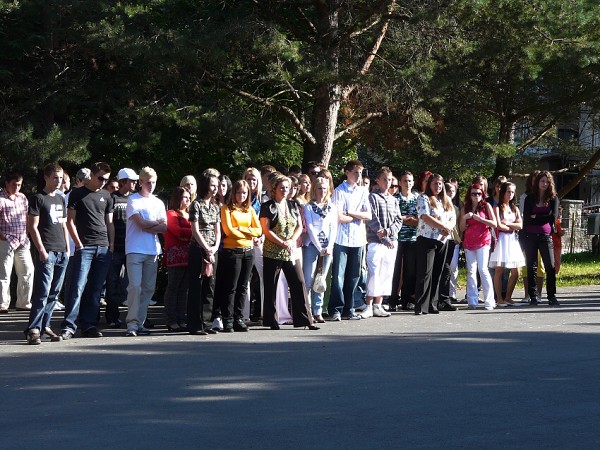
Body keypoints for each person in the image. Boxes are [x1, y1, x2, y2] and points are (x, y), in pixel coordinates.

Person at [61, 162, 114, 339]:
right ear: (91, 175)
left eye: (105, 180)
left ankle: (89, 324)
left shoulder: (107, 196)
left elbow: (110, 223)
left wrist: (111, 244)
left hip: (103, 247)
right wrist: (78, 244)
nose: (102, 182)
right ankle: (69, 326)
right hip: (85, 247)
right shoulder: (77, 193)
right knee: (77, 287)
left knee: (96, 289)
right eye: (100, 178)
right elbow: (69, 221)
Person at [260, 174, 318, 330]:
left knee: (298, 283)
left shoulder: (293, 205)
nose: (285, 190)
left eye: (287, 187)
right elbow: (266, 229)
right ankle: (272, 320)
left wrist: (291, 241)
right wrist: (281, 242)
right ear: (274, 189)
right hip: (272, 251)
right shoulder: (268, 206)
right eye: (282, 188)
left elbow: (299, 226)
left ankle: (305, 319)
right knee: (271, 285)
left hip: (290, 251)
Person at [24, 163, 69, 344]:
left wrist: (67, 248)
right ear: (46, 178)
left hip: (61, 252)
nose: (58, 182)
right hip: (47, 250)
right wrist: (41, 250)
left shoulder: (60, 199)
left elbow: (64, 225)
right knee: (42, 291)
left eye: (60, 178)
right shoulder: (38, 198)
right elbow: (32, 227)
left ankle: (45, 325)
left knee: (54, 293)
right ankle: (33, 329)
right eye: (55, 178)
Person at [123, 167, 167, 336]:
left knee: (148, 288)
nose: (151, 185)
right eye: (148, 182)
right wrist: (154, 223)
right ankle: (132, 324)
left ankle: (140, 321)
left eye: (154, 182)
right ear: (140, 182)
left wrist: (150, 224)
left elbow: (164, 227)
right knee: (135, 286)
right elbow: (139, 223)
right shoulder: (133, 200)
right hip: (134, 249)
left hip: (152, 250)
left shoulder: (158, 202)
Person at [214, 180, 262, 332]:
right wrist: (247, 232)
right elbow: (228, 231)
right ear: (233, 193)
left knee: (243, 286)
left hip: (248, 251)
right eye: (239, 192)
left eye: (244, 193)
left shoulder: (250, 210)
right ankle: (227, 318)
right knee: (231, 287)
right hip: (232, 252)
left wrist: (242, 229)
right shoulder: (226, 209)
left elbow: (258, 230)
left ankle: (238, 318)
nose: (241, 195)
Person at [328, 160, 371, 321]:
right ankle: (336, 309)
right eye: (355, 172)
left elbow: (368, 215)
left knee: (354, 276)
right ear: (347, 172)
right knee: (339, 276)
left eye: (360, 172)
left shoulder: (363, 191)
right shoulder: (339, 191)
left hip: (358, 238)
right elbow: (338, 216)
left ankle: (349, 308)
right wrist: (356, 216)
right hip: (342, 239)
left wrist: (351, 213)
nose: (358, 175)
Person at [360, 167, 402, 318]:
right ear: (377, 180)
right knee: (374, 273)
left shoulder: (393, 200)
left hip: (391, 242)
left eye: (390, 179)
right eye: (384, 179)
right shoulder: (372, 197)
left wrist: (389, 234)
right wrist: (384, 237)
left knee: (386, 273)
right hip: (376, 242)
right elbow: (372, 219)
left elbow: (398, 221)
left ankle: (378, 304)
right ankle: (368, 305)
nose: (387, 182)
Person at [413, 174, 455, 315]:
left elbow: (453, 217)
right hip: (426, 239)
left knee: (438, 272)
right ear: (429, 185)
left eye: (440, 184)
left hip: (442, 239)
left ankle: (432, 304)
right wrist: (443, 226)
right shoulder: (423, 198)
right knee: (425, 272)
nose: (438, 186)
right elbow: (425, 217)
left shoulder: (446, 200)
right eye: (435, 183)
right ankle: (421, 306)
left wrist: (448, 228)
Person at [187, 173, 221, 335]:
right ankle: (195, 324)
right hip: (198, 249)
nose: (215, 189)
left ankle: (206, 322)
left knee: (210, 286)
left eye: (216, 185)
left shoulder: (215, 207)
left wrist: (214, 247)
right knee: (197, 286)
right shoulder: (196, 205)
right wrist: (206, 248)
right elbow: (195, 229)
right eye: (212, 185)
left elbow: (217, 230)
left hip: (212, 250)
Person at [105, 168, 138, 328]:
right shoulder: (112, 198)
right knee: (113, 282)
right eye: (132, 181)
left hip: (132, 247)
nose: (135, 183)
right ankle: (112, 316)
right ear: (123, 182)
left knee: (134, 284)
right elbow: (108, 223)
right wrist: (110, 244)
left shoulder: (135, 199)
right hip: (116, 248)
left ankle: (136, 316)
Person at [302, 177, 337, 323]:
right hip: (312, 245)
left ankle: (318, 310)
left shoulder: (331, 207)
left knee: (321, 279)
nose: (322, 191)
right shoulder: (309, 207)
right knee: (309, 279)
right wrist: (319, 246)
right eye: (319, 188)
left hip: (327, 247)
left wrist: (329, 246)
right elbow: (310, 227)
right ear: (314, 190)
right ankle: (308, 310)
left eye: (324, 188)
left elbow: (333, 227)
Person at [522, 171, 560, 306]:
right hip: (530, 236)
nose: (545, 184)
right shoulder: (530, 198)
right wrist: (542, 217)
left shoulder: (553, 198)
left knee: (550, 266)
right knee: (531, 266)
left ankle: (551, 295)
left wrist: (536, 217)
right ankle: (533, 296)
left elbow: (552, 217)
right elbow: (527, 218)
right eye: (542, 181)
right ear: (537, 182)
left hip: (546, 236)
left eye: (547, 182)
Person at [0, 172, 33, 313]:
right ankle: (2, 304)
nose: (17, 187)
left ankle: (23, 303)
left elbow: (27, 216)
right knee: (4, 274)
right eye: (14, 184)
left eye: (19, 184)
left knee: (27, 271)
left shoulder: (22, 197)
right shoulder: (0, 198)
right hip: (5, 239)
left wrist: (27, 234)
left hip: (22, 241)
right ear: (6, 183)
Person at [461, 183, 497, 310]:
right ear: (469, 195)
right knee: (471, 270)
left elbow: (494, 223)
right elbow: (461, 228)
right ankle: (472, 300)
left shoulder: (486, 206)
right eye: (473, 194)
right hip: (469, 241)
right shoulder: (466, 207)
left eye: (478, 193)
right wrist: (464, 218)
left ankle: (489, 300)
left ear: (483, 195)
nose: (476, 196)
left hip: (483, 240)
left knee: (482, 269)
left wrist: (479, 219)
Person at [488, 182, 525, 306]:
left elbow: (520, 225)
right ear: (503, 192)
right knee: (499, 269)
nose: (510, 194)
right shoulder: (497, 208)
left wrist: (508, 225)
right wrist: (509, 227)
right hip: (502, 240)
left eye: (513, 192)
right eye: (508, 191)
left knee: (516, 271)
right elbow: (499, 225)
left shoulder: (515, 208)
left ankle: (508, 297)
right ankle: (499, 298)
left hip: (513, 240)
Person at [163, 187, 192, 331]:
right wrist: (191, 232)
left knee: (183, 289)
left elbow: (185, 233)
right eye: (185, 197)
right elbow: (177, 231)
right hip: (175, 255)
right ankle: (171, 319)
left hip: (188, 255)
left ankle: (181, 318)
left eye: (189, 197)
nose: (188, 200)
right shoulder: (171, 213)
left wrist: (186, 234)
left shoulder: (189, 214)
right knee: (173, 287)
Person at [389, 170, 418, 311]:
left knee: (410, 271)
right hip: (397, 238)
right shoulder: (395, 199)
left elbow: (420, 219)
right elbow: (396, 218)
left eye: (410, 181)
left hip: (413, 239)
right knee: (395, 270)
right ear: (400, 183)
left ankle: (407, 300)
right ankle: (392, 299)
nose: (408, 184)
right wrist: (408, 219)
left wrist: (406, 219)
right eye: (405, 181)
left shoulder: (417, 198)